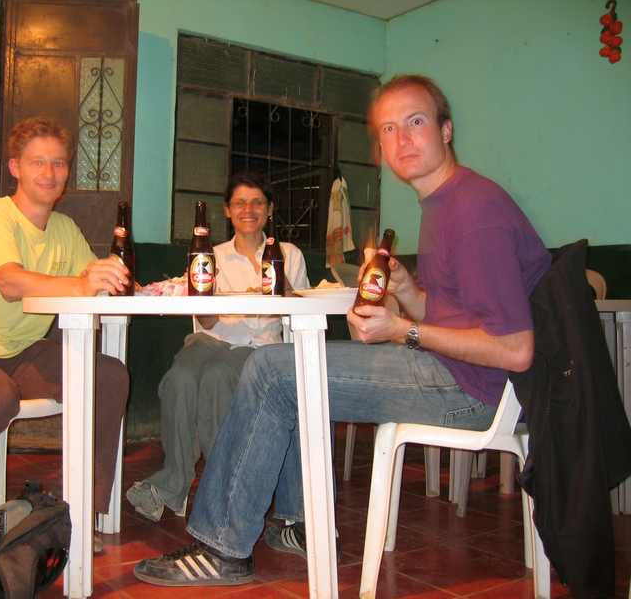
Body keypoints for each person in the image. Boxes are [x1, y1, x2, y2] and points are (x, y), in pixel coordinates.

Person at [132, 74, 553, 586]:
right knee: (284, 370)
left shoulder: (474, 208)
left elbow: (514, 348)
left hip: (471, 390)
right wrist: (407, 290)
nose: (402, 139)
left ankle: (223, 547)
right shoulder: (443, 202)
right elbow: (452, 314)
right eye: (389, 129)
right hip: (455, 372)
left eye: (415, 122)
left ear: (446, 130)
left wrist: (401, 330)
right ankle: (299, 525)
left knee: (272, 371)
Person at [0, 117, 130, 551]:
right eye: (37, 162)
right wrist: (81, 284)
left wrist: (122, 282)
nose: (50, 173)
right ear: (15, 167)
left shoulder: (65, 230)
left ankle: (75, 507)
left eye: (59, 163)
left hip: (22, 351)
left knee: (109, 375)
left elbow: (90, 283)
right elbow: (9, 282)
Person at [126, 171, 310, 522]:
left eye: (257, 203)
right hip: (213, 338)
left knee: (217, 376)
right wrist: (199, 296)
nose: (248, 210)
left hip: (260, 347)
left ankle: (223, 486)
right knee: (180, 377)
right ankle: (172, 484)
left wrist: (280, 287)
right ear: (227, 210)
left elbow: (301, 312)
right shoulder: (211, 255)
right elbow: (207, 322)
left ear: (270, 209)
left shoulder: (288, 254)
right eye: (239, 203)